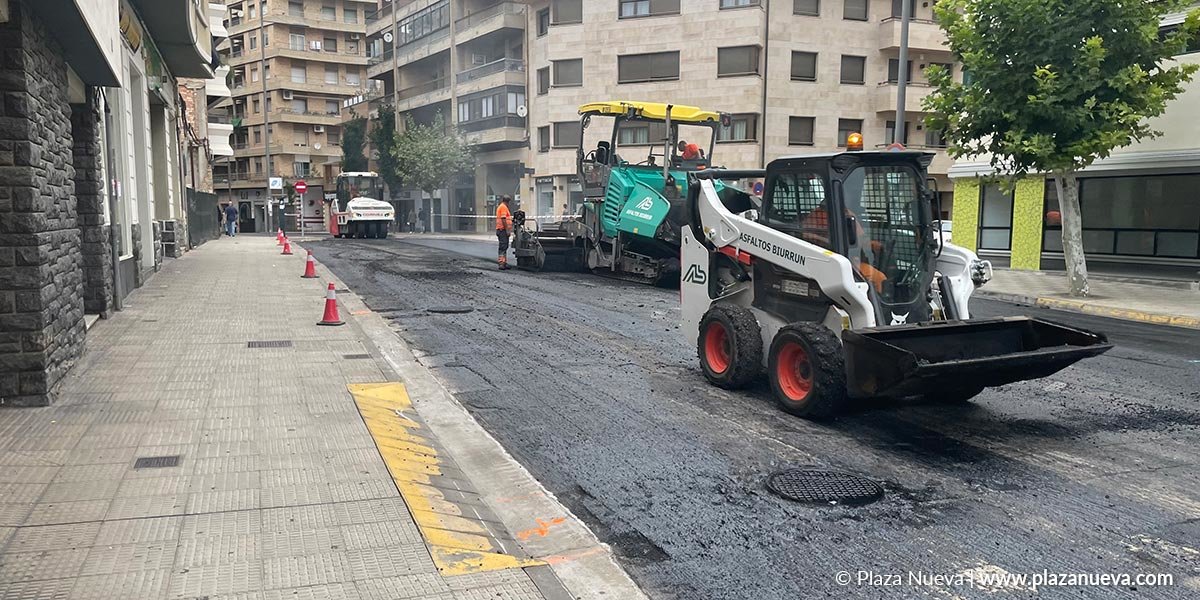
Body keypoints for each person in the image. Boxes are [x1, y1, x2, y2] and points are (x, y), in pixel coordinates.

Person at [495, 195, 513, 270]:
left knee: (505, 246)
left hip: (502, 230)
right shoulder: (503, 207)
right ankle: (501, 263)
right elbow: (503, 219)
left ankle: (504, 262)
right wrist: (507, 230)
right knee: (503, 246)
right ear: (508, 202)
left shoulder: (502, 206)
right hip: (502, 230)